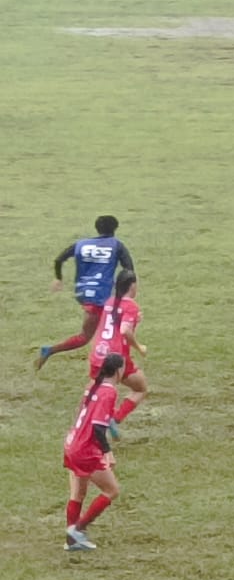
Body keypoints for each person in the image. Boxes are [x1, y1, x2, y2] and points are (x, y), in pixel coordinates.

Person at [35, 216, 134, 371]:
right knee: (87, 337)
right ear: (115, 228)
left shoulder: (81, 244)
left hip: (84, 293)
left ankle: (115, 362)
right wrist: (124, 289)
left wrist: (58, 278)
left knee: (112, 327)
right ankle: (51, 350)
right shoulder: (117, 245)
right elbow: (129, 269)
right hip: (100, 296)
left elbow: (59, 259)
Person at [61, 352, 125, 551]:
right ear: (118, 370)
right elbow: (97, 427)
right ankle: (77, 530)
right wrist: (107, 452)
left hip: (72, 443)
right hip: (85, 450)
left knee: (78, 493)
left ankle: (72, 542)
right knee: (112, 490)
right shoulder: (109, 392)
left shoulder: (93, 386)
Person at [90, 270, 149, 428]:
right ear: (132, 285)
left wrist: (135, 320)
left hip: (98, 352)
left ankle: (87, 419)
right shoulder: (131, 306)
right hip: (116, 356)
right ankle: (113, 419)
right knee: (140, 388)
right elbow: (124, 330)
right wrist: (139, 347)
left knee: (96, 389)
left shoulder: (109, 301)